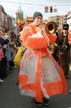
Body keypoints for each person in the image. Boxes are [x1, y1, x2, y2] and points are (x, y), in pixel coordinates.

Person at [18, 12, 67, 106]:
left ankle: (45, 96)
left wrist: (45, 32)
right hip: (33, 58)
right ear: (34, 18)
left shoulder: (43, 28)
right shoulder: (27, 28)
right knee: (36, 79)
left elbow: (51, 40)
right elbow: (29, 42)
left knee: (46, 77)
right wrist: (39, 34)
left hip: (44, 57)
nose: (39, 20)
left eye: (41, 18)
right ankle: (39, 98)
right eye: (38, 18)